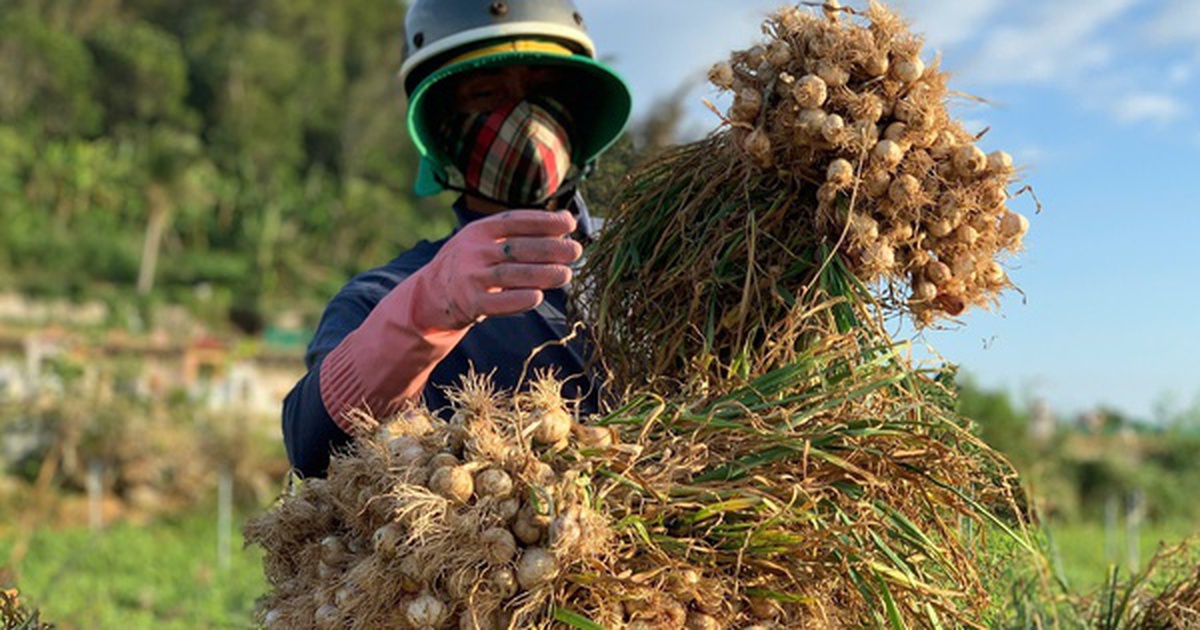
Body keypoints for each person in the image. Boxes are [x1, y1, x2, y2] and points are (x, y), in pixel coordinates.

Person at [282, 0, 633, 477]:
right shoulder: (384, 296)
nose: (524, 119)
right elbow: (314, 447)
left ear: (579, 113)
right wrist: (426, 310)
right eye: (487, 94)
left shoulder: (645, 261)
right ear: (443, 131)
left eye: (544, 90)